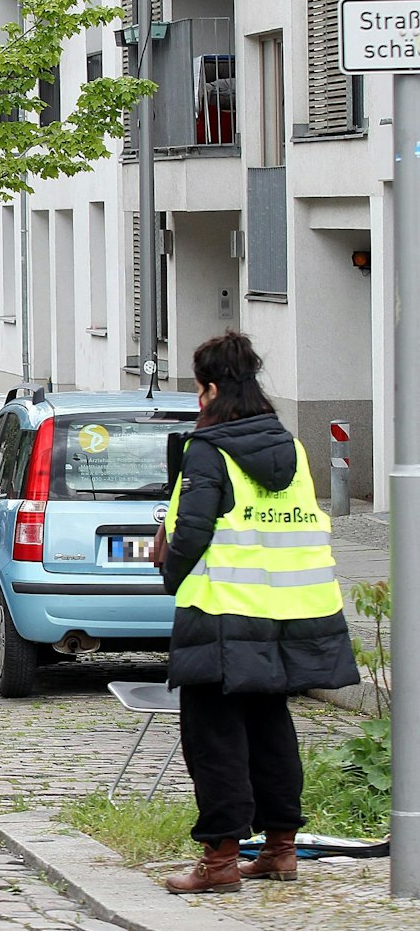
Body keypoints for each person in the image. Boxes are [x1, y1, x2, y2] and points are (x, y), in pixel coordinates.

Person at [159, 330, 359, 895]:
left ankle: (220, 860)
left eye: (199, 388)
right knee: (271, 728)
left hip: (221, 610)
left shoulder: (209, 449)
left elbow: (192, 530)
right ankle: (279, 849)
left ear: (211, 389)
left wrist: (170, 573)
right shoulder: (291, 448)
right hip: (287, 611)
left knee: (213, 738)